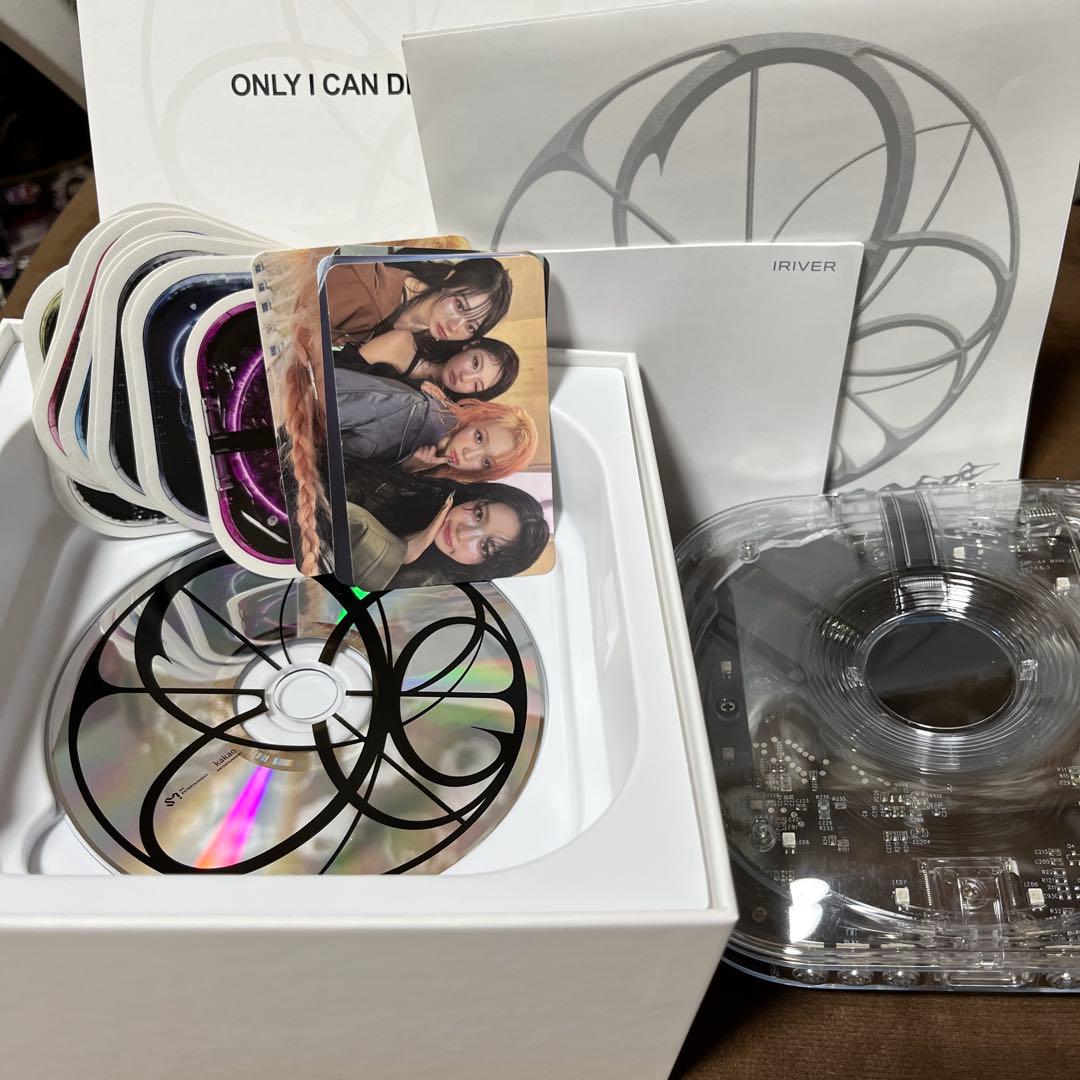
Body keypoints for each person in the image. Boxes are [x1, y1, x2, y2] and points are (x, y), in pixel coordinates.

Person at [344, 460, 550, 589]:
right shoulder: (424, 492)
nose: (464, 533)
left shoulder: (431, 590)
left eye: (485, 548)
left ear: (486, 568)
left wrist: (401, 553)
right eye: (478, 515)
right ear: (476, 497)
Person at [334, 368, 537, 483]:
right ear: (477, 419)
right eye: (479, 437)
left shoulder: (435, 469)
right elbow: (327, 409)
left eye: (485, 462)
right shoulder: (412, 408)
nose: (469, 455)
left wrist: (407, 469)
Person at [335, 336, 519, 402]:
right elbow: (339, 371)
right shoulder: (403, 343)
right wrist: (410, 384)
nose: (465, 377)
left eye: (476, 385)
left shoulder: (440, 414)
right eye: (475, 363)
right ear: (470, 345)